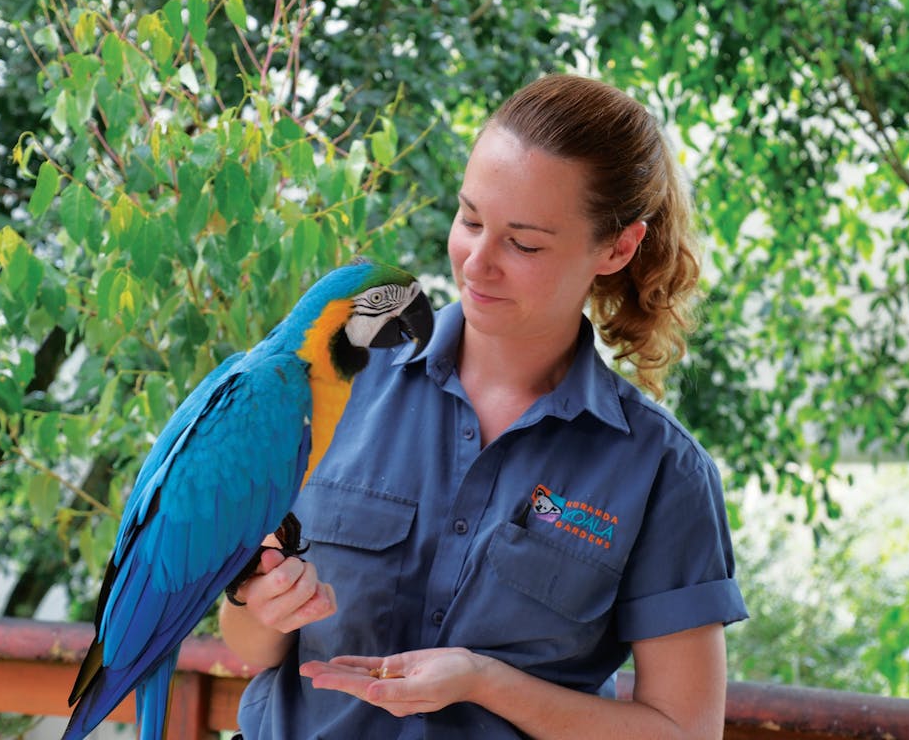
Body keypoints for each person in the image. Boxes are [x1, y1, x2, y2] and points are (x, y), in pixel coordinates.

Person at [220, 73, 748, 739]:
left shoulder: (663, 472)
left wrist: (486, 681)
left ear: (617, 248)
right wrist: (258, 605)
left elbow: (683, 732)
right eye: (470, 219)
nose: (476, 263)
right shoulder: (329, 386)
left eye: (523, 243)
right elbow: (249, 644)